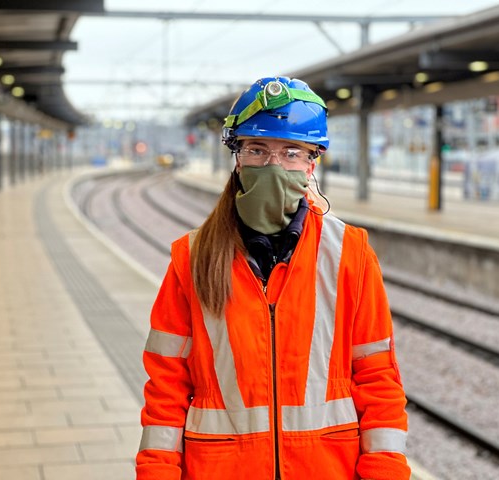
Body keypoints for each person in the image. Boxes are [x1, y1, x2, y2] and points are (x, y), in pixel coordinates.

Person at [136, 76, 409, 480]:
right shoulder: (192, 259)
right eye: (257, 149)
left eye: (291, 152)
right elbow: (166, 385)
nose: (273, 165)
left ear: (311, 163)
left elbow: (377, 378)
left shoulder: (349, 253)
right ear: (238, 157)